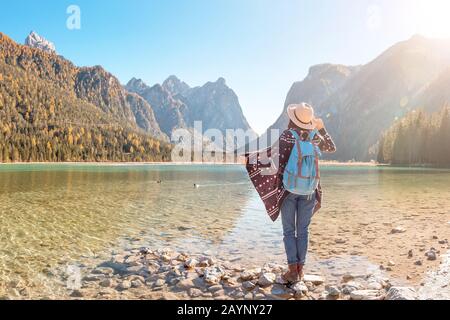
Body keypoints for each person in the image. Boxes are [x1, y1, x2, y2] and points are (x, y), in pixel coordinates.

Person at [245, 103, 336, 283]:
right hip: (310, 190)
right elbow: (331, 147)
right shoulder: (314, 138)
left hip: (288, 191)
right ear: (308, 121)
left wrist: (249, 158)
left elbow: (268, 156)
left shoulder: (287, 136)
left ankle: (292, 271)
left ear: (292, 118)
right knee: (303, 230)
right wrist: (322, 128)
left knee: (289, 231)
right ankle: (300, 271)